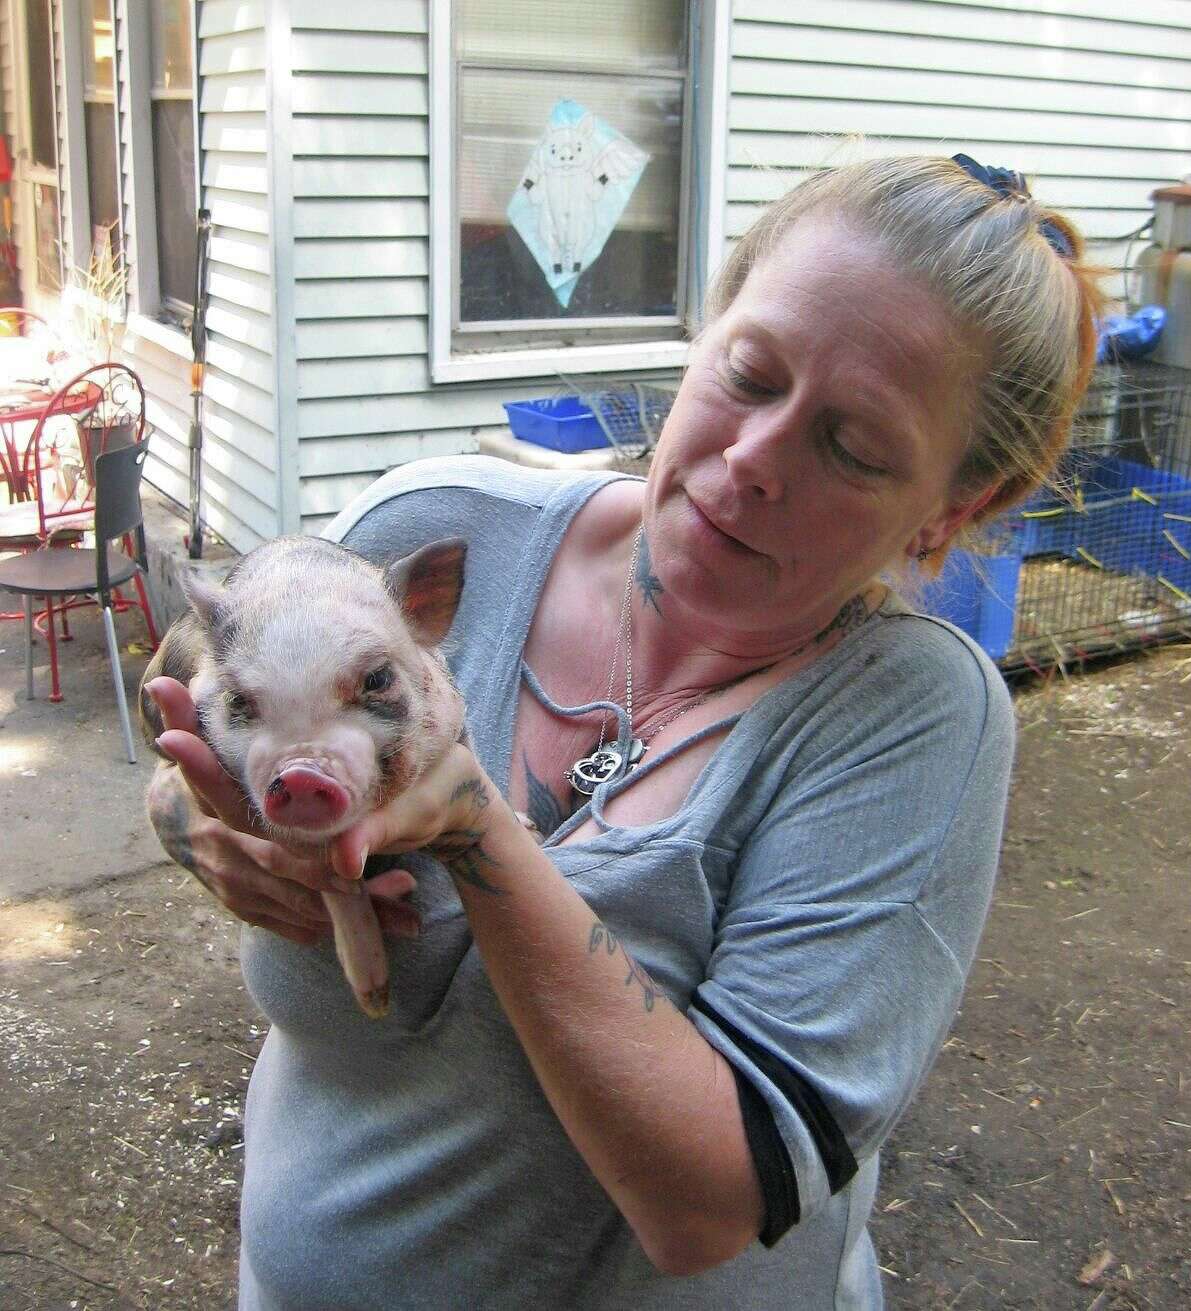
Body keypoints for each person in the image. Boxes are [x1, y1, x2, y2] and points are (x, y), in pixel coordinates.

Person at [145, 155, 1105, 1309]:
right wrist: (191, 824)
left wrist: (471, 830)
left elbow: (710, 1198)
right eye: (750, 375)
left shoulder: (908, 724)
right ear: (709, 332)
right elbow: (187, 704)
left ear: (962, 506)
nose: (753, 462)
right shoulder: (428, 539)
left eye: (853, 449)